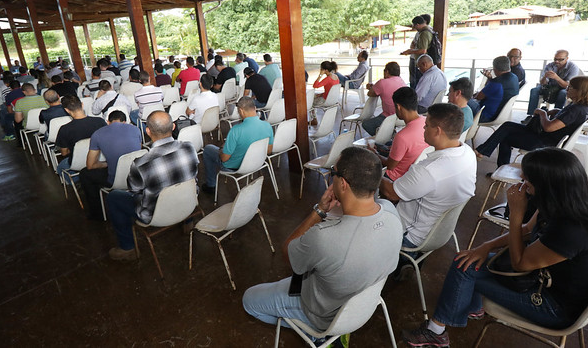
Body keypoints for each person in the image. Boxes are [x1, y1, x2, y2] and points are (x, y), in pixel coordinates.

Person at [402, 147, 588, 348]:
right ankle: (472, 307)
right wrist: (485, 246)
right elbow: (527, 230)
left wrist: (516, 214)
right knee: (472, 258)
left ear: (546, 185)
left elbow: (520, 264)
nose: (522, 184)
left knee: (464, 268)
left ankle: (436, 333)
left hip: (553, 306)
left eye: (527, 181)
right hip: (546, 280)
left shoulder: (571, 229)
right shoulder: (568, 202)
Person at [243, 147, 403, 337]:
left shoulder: (324, 238)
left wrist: (319, 211)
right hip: (361, 303)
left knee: (249, 300)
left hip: (320, 313)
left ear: (342, 184)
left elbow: (288, 253)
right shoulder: (392, 213)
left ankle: (308, 331)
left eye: (333, 172)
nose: (331, 176)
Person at [380, 103, 477, 252]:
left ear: (437, 131)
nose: (423, 129)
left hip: (410, 236)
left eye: (426, 126)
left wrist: (373, 173)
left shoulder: (428, 171)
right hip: (439, 231)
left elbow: (391, 193)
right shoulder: (468, 153)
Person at [106, 111, 198, 261]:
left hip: (156, 214)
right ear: (173, 126)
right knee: (182, 180)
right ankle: (188, 222)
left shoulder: (140, 164)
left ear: (148, 131)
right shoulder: (189, 147)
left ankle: (127, 248)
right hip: (188, 203)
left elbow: (134, 191)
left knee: (114, 197)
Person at [476, 75, 588, 168]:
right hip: (547, 138)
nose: (567, 89)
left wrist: (542, 113)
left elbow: (548, 127)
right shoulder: (582, 108)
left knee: (506, 137)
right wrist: (557, 111)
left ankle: (497, 164)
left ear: (579, 91)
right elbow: (566, 120)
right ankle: (484, 152)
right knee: (507, 126)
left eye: (570, 87)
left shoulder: (575, 110)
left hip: (546, 143)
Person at [79, 110, 142, 221]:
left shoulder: (97, 134)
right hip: (138, 175)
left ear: (108, 122)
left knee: (85, 173)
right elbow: (138, 150)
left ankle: (96, 214)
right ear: (125, 121)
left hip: (115, 181)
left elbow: (90, 165)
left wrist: (106, 164)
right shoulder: (136, 129)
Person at [201, 97, 273, 193]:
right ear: (255, 108)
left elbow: (224, 159)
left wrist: (222, 150)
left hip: (234, 166)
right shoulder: (267, 126)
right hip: (257, 162)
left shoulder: (236, 130)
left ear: (241, 111)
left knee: (208, 149)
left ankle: (211, 185)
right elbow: (269, 150)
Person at [369, 87, 428, 181]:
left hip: (395, 178)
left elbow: (390, 165)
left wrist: (374, 155)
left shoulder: (402, 136)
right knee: (386, 145)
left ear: (398, 107)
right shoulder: (426, 122)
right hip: (415, 172)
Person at [55, 95, 107, 181]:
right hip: (100, 158)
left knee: (60, 167)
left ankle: (76, 182)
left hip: (77, 163)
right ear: (82, 105)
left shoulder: (64, 129)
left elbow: (64, 153)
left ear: (67, 110)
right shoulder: (100, 121)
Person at [524, 50, 580, 120]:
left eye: (560, 59)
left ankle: (556, 116)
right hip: (549, 86)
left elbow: (568, 86)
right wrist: (545, 77)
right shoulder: (550, 65)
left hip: (562, 88)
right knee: (534, 90)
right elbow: (542, 83)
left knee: (563, 93)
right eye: (555, 59)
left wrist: (557, 78)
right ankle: (531, 115)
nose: (557, 61)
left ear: (567, 58)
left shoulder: (573, 67)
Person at [468, 56, 519, 123]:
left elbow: (478, 97)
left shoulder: (496, 83)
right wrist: (490, 79)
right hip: (501, 114)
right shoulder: (514, 77)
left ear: (495, 69)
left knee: (462, 99)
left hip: (485, 115)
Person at [362, 61, 406, 136]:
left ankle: (385, 138)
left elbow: (370, 94)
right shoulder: (401, 81)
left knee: (366, 124)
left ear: (387, 71)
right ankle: (389, 135)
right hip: (403, 116)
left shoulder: (382, 82)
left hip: (389, 116)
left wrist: (371, 88)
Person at [401, 16, 434, 89]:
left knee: (418, 84)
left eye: (414, 26)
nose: (415, 28)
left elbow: (423, 50)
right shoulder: (427, 31)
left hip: (422, 62)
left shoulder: (424, 33)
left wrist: (410, 51)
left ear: (418, 25)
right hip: (423, 61)